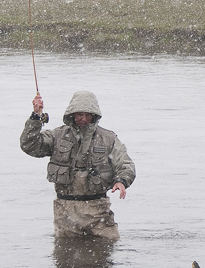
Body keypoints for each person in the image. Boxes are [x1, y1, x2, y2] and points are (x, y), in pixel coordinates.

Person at [20, 90, 135, 239]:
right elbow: (29, 145)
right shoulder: (56, 136)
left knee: (107, 251)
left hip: (99, 211)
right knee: (65, 259)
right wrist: (36, 116)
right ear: (72, 114)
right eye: (80, 114)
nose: (84, 119)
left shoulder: (109, 139)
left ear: (94, 116)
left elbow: (125, 163)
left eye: (88, 115)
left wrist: (121, 181)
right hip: (65, 213)